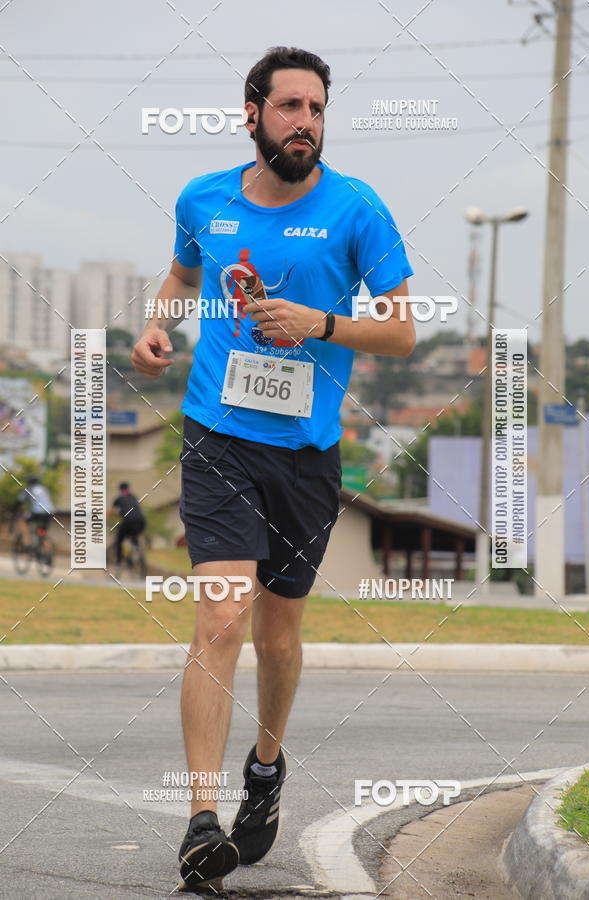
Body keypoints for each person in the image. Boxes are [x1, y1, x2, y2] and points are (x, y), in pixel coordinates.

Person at [131, 45, 415, 892]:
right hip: (218, 434)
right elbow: (183, 276)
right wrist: (159, 326)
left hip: (307, 453)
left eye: (318, 109)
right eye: (290, 107)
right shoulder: (204, 199)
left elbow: (401, 332)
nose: (306, 124)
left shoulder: (357, 209)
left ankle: (265, 767)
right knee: (221, 617)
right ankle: (199, 823)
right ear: (252, 114)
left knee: (278, 633)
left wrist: (319, 324)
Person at [109, 482, 146, 567]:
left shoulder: (119, 499)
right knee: (133, 534)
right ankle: (136, 548)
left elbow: (110, 512)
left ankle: (118, 562)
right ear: (128, 488)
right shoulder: (134, 497)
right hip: (141, 521)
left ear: (120, 490)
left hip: (128, 521)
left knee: (119, 541)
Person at [15, 475, 54, 546]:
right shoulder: (45, 489)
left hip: (37, 512)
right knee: (42, 532)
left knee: (23, 520)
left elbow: (19, 501)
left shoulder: (29, 489)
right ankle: (47, 552)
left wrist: (13, 510)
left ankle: (27, 541)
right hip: (50, 512)